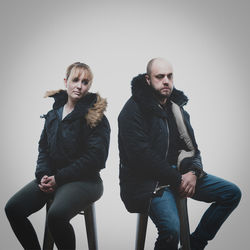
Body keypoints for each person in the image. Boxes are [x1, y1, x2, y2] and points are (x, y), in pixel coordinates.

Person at [118, 58, 241, 250]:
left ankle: (193, 245)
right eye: (160, 76)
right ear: (148, 79)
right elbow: (141, 157)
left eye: (169, 76)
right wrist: (178, 179)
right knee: (172, 230)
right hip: (147, 182)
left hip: (179, 175)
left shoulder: (177, 109)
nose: (166, 81)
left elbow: (193, 149)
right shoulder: (132, 110)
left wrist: (193, 172)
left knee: (231, 193)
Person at [5, 62, 110, 250]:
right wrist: (43, 174)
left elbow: (96, 159)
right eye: (75, 80)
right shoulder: (53, 115)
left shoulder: (96, 116)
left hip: (86, 181)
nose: (79, 85)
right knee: (13, 209)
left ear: (89, 86)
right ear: (65, 81)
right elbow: (43, 149)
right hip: (53, 176)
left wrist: (59, 178)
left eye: (85, 82)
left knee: (56, 215)